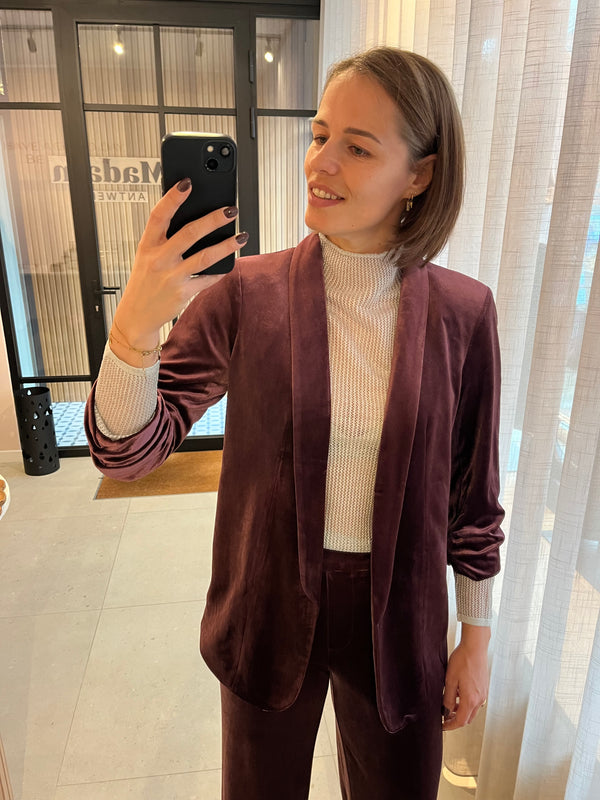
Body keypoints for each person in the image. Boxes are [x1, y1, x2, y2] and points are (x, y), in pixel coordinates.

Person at [86, 47, 504, 800]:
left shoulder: (463, 314)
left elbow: (472, 500)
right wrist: (135, 326)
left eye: (357, 147)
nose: (322, 163)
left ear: (419, 175)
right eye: (319, 135)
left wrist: (476, 640)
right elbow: (127, 451)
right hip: (267, 608)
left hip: (400, 622)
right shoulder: (248, 294)